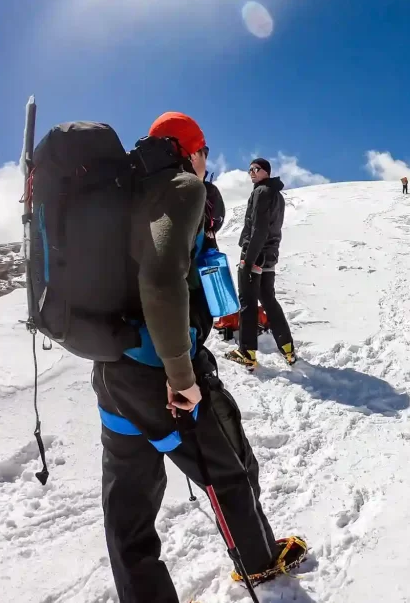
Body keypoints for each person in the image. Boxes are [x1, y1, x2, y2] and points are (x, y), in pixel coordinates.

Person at [91, 113, 305, 602]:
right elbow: (162, 279)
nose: (207, 160)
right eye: (205, 150)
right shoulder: (183, 187)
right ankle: (258, 562)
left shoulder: (129, 191)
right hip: (159, 371)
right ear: (191, 149)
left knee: (128, 505)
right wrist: (180, 374)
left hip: (112, 372)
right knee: (229, 467)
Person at [226, 158, 297, 370]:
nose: (252, 173)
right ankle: (287, 348)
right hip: (269, 256)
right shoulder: (277, 195)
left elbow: (259, 228)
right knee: (268, 300)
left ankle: (246, 352)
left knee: (247, 302)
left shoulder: (261, 192)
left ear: (266, 171)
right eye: (249, 170)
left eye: (256, 169)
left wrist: (248, 261)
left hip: (255, 255)